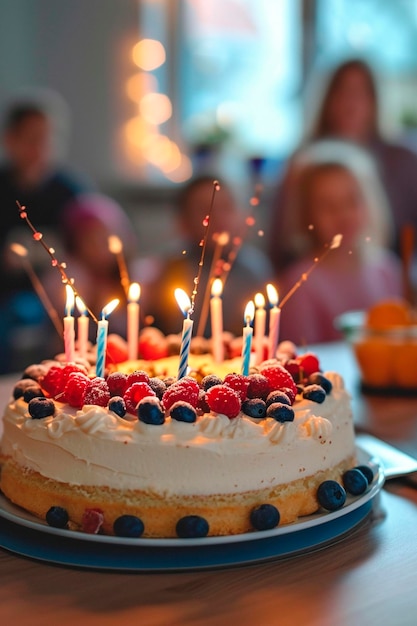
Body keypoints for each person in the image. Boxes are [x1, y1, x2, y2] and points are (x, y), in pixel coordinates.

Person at [269, 58, 417, 272]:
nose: (351, 103)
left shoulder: (403, 160)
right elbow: (283, 243)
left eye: (361, 93)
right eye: (342, 92)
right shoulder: (302, 164)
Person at [277, 140, 402, 345]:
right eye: (327, 205)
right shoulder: (300, 283)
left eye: (352, 201)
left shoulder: (387, 269)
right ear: (306, 214)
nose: (342, 215)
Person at [0, 92, 90, 372]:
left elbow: (87, 245)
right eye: (31, 138)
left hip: (53, 293)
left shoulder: (71, 191)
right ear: (10, 139)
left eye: (47, 138)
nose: (40, 147)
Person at [139, 176, 273, 337]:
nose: (218, 217)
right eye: (205, 210)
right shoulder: (168, 272)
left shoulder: (255, 270)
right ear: (183, 222)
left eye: (226, 207)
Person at [44, 193, 139, 342]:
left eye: (104, 237)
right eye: (89, 239)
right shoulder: (67, 279)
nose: (99, 246)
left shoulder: (135, 275)